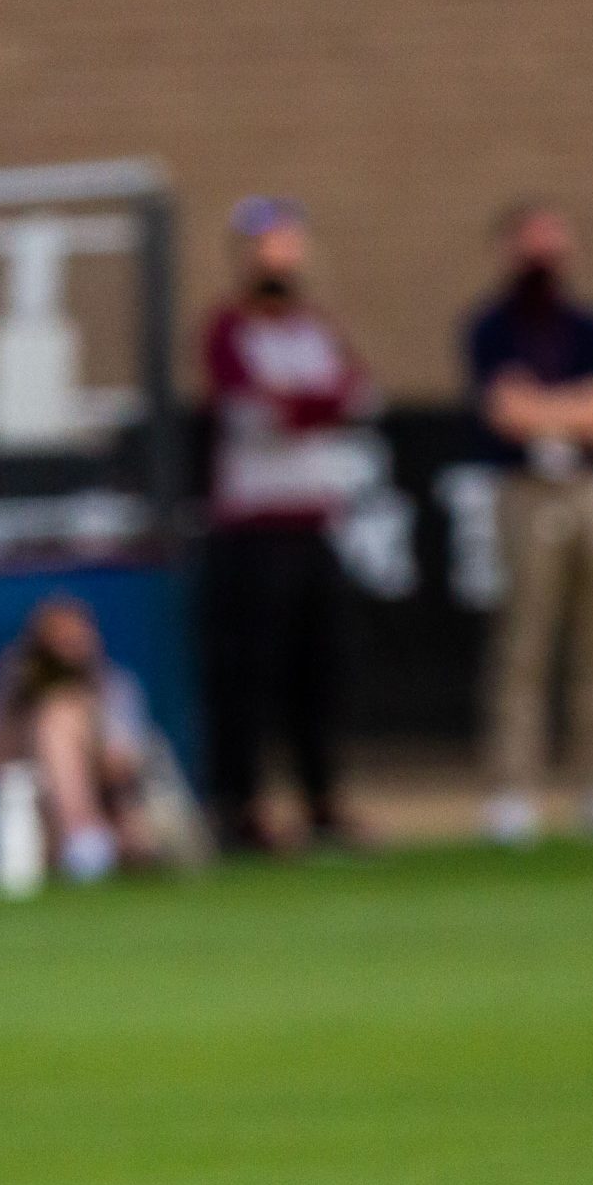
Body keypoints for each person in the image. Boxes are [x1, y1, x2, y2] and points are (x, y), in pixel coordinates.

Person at [465, 202, 593, 846]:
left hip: (589, 485)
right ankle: (513, 791)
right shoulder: (492, 326)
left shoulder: (592, 327)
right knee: (525, 640)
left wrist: (549, 410)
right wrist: (578, 408)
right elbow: (505, 411)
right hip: (525, 491)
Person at [199, 197, 376, 852]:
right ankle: (239, 809)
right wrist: (313, 406)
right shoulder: (228, 329)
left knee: (321, 671)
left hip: (314, 520)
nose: (281, 258)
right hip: (254, 528)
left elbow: (357, 393)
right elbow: (254, 414)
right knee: (250, 676)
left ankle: (322, 801)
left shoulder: (314, 327)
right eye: (268, 246)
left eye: (289, 244)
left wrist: (305, 406)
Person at [0, 595, 160, 882]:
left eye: (77, 634)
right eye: (60, 637)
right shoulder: (21, 694)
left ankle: (90, 840)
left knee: (65, 714)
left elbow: (125, 763)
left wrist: (88, 735)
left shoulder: (115, 685)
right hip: (41, 814)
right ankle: (84, 840)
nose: (71, 644)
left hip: (114, 803)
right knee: (59, 715)